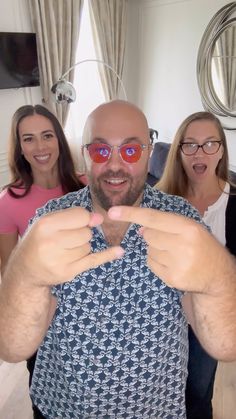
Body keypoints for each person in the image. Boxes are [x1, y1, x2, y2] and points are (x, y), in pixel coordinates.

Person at [0, 101, 236, 419]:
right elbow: (13, 347)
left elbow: (225, 344)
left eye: (130, 151)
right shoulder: (51, 220)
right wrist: (23, 274)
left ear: (149, 151)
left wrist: (218, 275)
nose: (115, 165)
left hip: (155, 411)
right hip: (62, 408)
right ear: (84, 154)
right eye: (100, 151)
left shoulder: (181, 221)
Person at [0, 104, 84, 418]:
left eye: (47, 136)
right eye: (29, 139)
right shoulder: (9, 202)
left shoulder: (86, 186)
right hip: (41, 321)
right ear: (19, 147)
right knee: (46, 405)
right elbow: (10, 273)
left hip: (86, 319)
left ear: (59, 140)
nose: (40, 147)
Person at [156, 110, 236, 419]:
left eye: (209, 144)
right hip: (163, 321)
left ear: (221, 150)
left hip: (208, 320)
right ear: (179, 151)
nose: (199, 153)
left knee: (198, 394)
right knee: (163, 394)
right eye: (189, 145)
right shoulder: (161, 201)